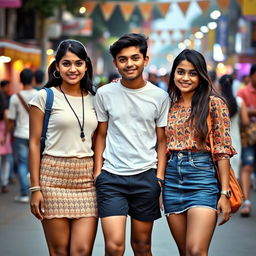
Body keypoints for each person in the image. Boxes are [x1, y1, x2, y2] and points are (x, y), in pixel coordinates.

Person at [94, 33, 170, 256]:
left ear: (145, 60)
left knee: (142, 246)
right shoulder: (104, 93)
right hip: (111, 178)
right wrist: (98, 171)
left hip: (146, 177)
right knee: (114, 246)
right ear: (116, 63)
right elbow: (101, 134)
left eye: (135, 58)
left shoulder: (159, 97)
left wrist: (160, 177)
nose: (129, 64)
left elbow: (162, 140)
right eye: (123, 59)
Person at [163, 49, 236, 256]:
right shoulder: (168, 105)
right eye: (180, 72)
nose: (185, 78)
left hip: (202, 179)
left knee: (196, 250)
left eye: (192, 73)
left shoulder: (214, 104)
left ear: (201, 75)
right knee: (185, 251)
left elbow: (222, 150)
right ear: (173, 74)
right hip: (172, 180)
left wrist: (224, 193)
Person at [29, 39, 98, 255]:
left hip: (87, 182)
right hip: (52, 179)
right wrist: (35, 188)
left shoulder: (97, 99)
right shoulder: (44, 97)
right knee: (59, 251)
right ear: (57, 66)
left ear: (86, 65)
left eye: (78, 63)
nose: (73, 69)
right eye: (66, 63)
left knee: (82, 250)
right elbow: (33, 143)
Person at [7, 69, 37, 203]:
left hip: (20, 134)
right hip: (36, 135)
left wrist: (5, 134)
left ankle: (24, 193)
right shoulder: (39, 95)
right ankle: (36, 188)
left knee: (22, 163)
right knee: (36, 162)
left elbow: (11, 119)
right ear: (33, 80)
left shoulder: (15, 97)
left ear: (20, 80)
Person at [219, 74, 249, 178]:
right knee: (234, 172)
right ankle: (234, 193)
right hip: (235, 139)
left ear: (220, 85)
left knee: (220, 172)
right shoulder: (239, 101)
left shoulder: (217, 101)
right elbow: (245, 122)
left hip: (220, 139)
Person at [237, 63, 256, 217]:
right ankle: (247, 202)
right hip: (249, 137)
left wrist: (250, 111)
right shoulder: (243, 92)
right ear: (251, 76)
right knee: (247, 167)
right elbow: (243, 118)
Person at [0, 90, 12, 193]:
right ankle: (4, 183)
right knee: (5, 160)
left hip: (3, 133)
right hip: (3, 132)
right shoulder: (4, 107)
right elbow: (7, 118)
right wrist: (5, 135)